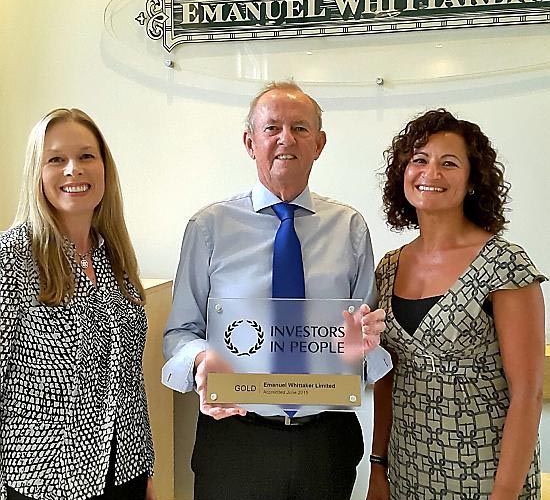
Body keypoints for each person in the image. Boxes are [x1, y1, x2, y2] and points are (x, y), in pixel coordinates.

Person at [163, 80, 389, 500]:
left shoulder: (350, 228)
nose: (286, 138)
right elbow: (179, 332)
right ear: (250, 143)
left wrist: (365, 345)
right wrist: (198, 360)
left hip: (326, 440)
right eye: (272, 128)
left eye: (300, 128)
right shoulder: (209, 228)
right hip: (235, 439)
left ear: (319, 144)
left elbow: (360, 345)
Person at [367, 108, 546, 500]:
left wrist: (503, 494)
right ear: (403, 173)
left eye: (448, 163)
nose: (431, 173)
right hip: (406, 472)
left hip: (485, 477)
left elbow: (528, 392)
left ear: (471, 181)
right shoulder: (388, 267)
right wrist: (377, 467)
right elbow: (387, 377)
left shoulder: (504, 264)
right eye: (419, 160)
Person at [0, 109, 155, 500]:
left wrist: (145, 470)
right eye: (56, 159)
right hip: (45, 483)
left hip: (126, 473)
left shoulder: (115, 256)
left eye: (87, 156)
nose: (74, 169)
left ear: (104, 167)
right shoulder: (12, 257)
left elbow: (128, 380)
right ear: (38, 172)